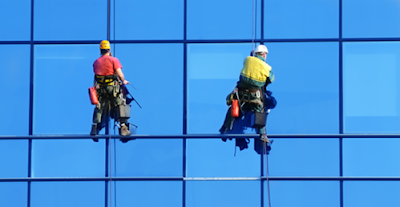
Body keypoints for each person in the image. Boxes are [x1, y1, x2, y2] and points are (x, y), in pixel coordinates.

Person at [220, 44, 276, 142]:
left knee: (233, 109)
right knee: (260, 111)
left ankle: (225, 129)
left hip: (241, 95)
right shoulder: (266, 67)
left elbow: (250, 66)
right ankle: (262, 135)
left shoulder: (247, 59)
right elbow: (271, 79)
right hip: (254, 97)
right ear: (264, 55)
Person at [90, 40, 131, 141]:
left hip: (101, 90)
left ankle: (94, 128)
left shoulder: (96, 62)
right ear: (109, 49)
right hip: (113, 89)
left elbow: (96, 77)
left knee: (99, 108)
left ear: (101, 50)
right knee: (119, 105)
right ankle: (123, 128)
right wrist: (123, 80)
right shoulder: (114, 60)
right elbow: (119, 73)